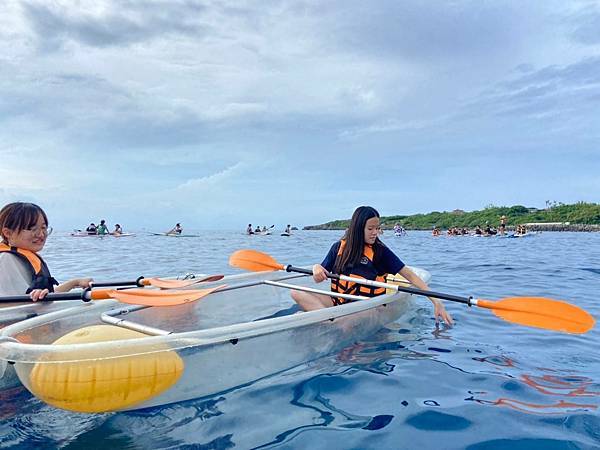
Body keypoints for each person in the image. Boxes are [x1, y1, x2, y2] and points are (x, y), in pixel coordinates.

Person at [290, 206, 453, 326]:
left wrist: (437, 302)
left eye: (377, 228)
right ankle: (329, 323)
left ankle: (326, 323)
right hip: (338, 302)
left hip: (367, 308)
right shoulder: (338, 247)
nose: (375, 232)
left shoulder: (381, 252)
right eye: (370, 228)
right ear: (357, 229)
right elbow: (320, 276)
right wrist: (317, 267)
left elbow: (410, 276)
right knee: (296, 292)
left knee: (349, 320)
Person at [0, 202, 92, 301]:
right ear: (8, 233)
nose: (41, 234)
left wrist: (75, 282)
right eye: (32, 229)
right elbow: (7, 304)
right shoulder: (6, 260)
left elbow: (50, 294)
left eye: (43, 228)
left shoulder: (22, 258)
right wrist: (36, 298)